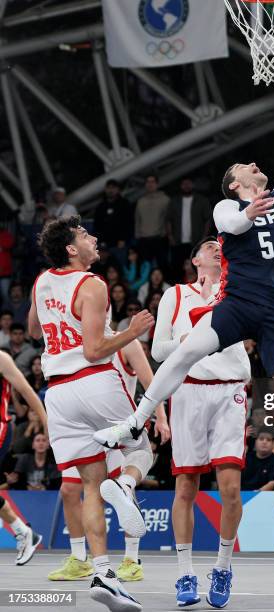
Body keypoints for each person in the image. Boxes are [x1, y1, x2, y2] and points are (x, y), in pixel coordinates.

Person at [94, 60, 274, 533]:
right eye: (246, 167)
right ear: (237, 183)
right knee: (188, 350)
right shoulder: (227, 204)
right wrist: (247, 212)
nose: (256, 166)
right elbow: (231, 225)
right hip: (238, 301)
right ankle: (137, 422)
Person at [29, 215, 155, 611]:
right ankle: (127, 488)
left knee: (90, 484)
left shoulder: (41, 282)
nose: (94, 238)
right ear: (71, 248)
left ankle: (102, 571)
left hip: (58, 394)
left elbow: (34, 330)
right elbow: (95, 350)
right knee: (142, 449)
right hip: (93, 382)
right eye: (85, 235)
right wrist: (132, 331)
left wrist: (57, 321)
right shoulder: (93, 285)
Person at [150, 236, 250, 608]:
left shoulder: (235, 289)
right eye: (208, 246)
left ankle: (223, 568)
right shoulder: (175, 295)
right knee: (186, 488)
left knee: (230, 489)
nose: (216, 248)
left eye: (219, 244)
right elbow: (159, 350)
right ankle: (185, 574)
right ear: (195, 259)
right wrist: (191, 341)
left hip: (229, 392)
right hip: (188, 390)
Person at [47, 338, 169, 583]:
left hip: (115, 423)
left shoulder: (127, 341)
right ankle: (80, 559)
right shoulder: (76, 341)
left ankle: (131, 561)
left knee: (121, 487)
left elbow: (151, 382)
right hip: (85, 426)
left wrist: (161, 417)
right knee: (69, 489)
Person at [0, 349, 47, 565]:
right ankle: (24, 533)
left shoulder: (2, 359)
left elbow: (29, 393)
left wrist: (47, 424)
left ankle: (23, 533)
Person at [167, 178, 212, 280]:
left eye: (189, 183)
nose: (186, 186)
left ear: (193, 185)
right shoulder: (174, 201)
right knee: (177, 268)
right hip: (178, 242)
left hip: (196, 241)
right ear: (180, 186)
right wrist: (170, 237)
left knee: (197, 267)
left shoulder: (202, 200)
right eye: (184, 183)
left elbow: (208, 220)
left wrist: (204, 237)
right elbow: (168, 220)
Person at [134, 173, 170, 271]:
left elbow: (169, 219)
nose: (150, 184)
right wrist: (137, 235)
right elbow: (138, 219)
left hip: (160, 239)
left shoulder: (165, 199)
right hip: (144, 239)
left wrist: (167, 235)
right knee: (144, 268)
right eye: (148, 182)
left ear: (157, 184)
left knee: (162, 267)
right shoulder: (141, 201)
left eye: (152, 182)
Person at [93, 179, 133, 248]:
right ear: (105, 190)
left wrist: (123, 239)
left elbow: (128, 223)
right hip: (104, 243)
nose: (111, 190)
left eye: (113, 188)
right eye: (109, 188)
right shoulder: (101, 206)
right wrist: (100, 240)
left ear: (118, 189)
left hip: (120, 242)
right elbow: (97, 224)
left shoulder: (125, 204)